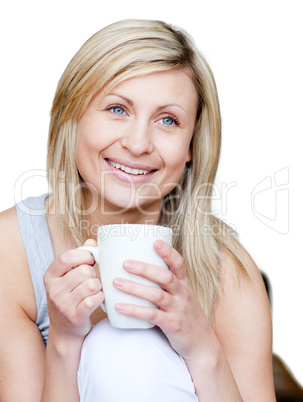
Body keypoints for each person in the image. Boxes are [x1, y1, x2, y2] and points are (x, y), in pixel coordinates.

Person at [0, 19, 276, 401]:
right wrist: (63, 343)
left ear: (192, 143)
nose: (138, 143)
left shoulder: (227, 269)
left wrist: (200, 345)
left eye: (168, 120)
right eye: (117, 109)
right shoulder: (11, 251)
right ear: (73, 114)